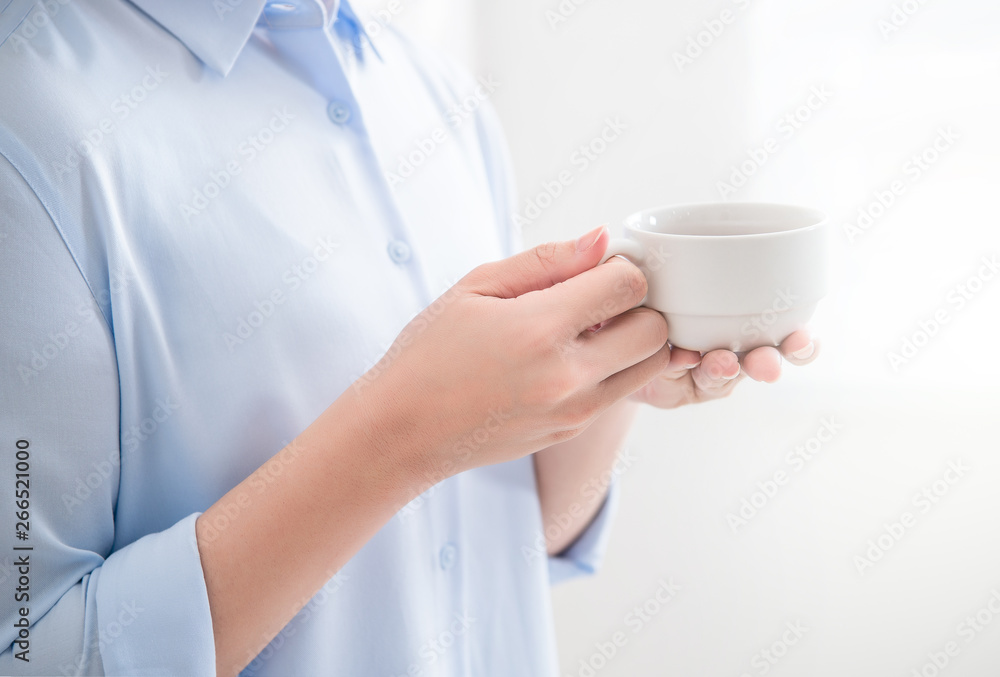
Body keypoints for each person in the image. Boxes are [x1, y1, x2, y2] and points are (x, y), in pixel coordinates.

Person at [0, 1, 818, 674]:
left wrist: (611, 374)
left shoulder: (435, 95)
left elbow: (493, 545)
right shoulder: (26, 119)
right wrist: (403, 432)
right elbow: (31, 646)